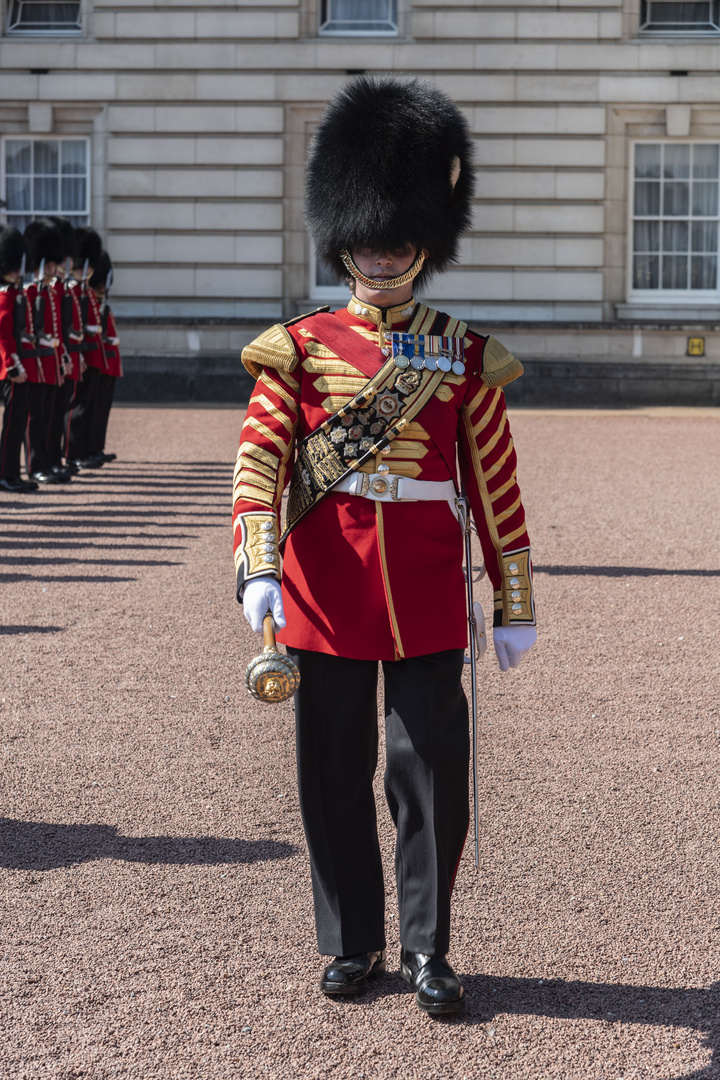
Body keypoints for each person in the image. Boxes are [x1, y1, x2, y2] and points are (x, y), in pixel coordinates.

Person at [232, 77, 537, 1015]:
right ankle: (351, 939)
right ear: (346, 237)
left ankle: (425, 948)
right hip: (325, 589)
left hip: (428, 597)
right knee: (331, 770)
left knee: (431, 774)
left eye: (400, 233)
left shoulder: (461, 356)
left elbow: (494, 482)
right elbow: (260, 466)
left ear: (424, 239)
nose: (384, 248)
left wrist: (513, 598)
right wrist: (257, 568)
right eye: (369, 233)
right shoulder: (298, 348)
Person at [24, 218, 67, 484]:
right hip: (34, 362)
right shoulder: (30, 292)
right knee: (35, 418)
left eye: (53, 264)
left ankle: (47, 462)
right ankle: (34, 465)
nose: (52, 269)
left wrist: (61, 357)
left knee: (48, 416)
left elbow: (57, 332)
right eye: (48, 265)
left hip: (50, 361)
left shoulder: (50, 294)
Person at [0, 226, 37, 494]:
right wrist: (13, 366)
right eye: (12, 267)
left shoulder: (15, 294)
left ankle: (12, 473)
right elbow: (2, 336)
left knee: (18, 423)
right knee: (12, 424)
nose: (17, 271)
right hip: (11, 369)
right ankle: (5, 474)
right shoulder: (4, 295)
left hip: (19, 364)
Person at [86, 250, 121, 463]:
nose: (102, 289)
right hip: (98, 361)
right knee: (91, 409)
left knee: (100, 411)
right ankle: (87, 449)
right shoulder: (90, 304)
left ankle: (96, 448)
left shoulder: (102, 306)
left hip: (108, 363)